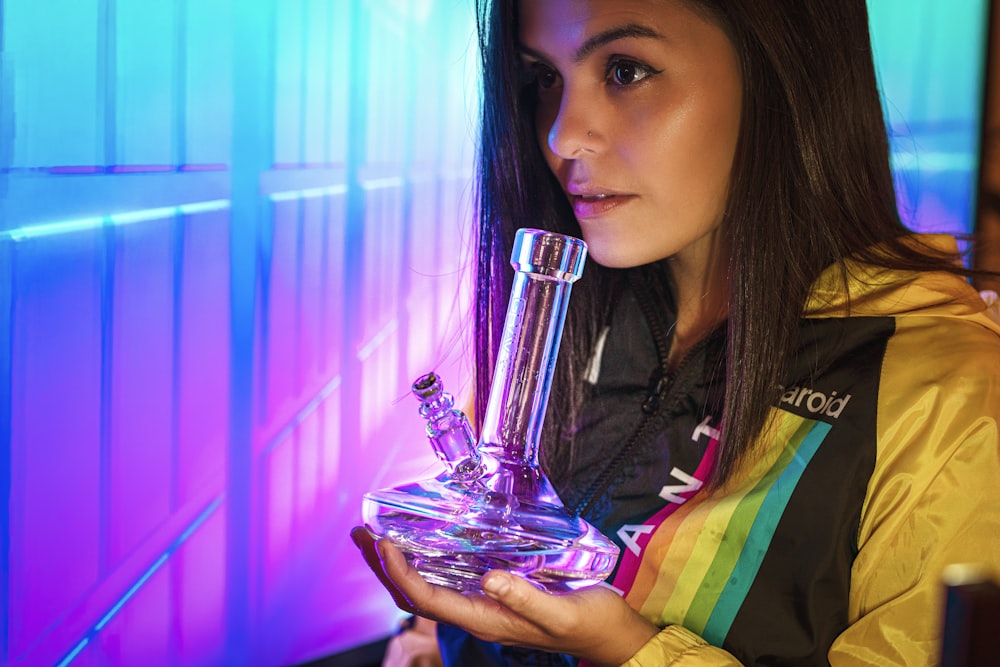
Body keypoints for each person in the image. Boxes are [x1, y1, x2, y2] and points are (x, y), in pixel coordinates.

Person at [352, 0, 1000, 664]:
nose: (562, 136)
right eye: (544, 78)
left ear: (785, 72)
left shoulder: (947, 399)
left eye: (625, 71)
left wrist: (630, 648)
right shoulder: (573, 314)